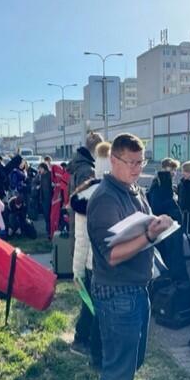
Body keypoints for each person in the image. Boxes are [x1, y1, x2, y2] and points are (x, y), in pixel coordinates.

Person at [87, 133, 174, 380]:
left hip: (136, 289)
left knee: (132, 361)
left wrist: (156, 226)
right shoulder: (105, 198)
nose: (138, 168)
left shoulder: (132, 190)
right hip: (116, 293)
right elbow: (112, 255)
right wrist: (149, 237)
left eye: (142, 162)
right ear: (114, 160)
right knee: (118, 368)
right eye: (132, 162)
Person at [70, 141, 110, 364]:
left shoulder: (88, 192)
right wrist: (77, 272)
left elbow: (81, 238)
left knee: (91, 305)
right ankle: (93, 350)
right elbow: (83, 238)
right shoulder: (96, 195)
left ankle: (81, 339)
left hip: (94, 262)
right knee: (96, 308)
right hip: (96, 263)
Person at [36, 162, 53, 237]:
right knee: (46, 216)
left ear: (44, 168)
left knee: (48, 215)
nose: (39, 170)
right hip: (44, 198)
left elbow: (49, 188)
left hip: (48, 198)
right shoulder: (42, 176)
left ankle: (49, 231)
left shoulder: (49, 175)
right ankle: (48, 231)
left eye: (40, 169)